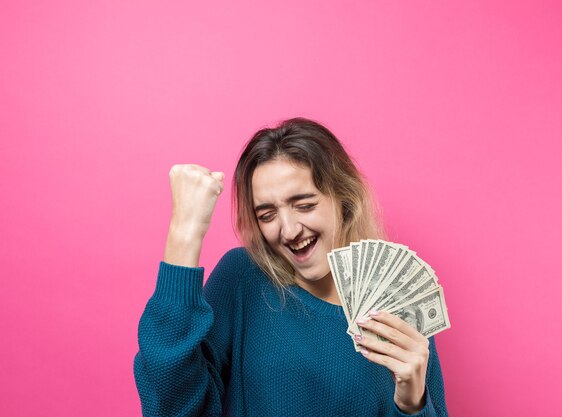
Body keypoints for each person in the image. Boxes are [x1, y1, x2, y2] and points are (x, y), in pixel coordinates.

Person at [134, 118, 449, 416]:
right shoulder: (242, 277)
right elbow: (169, 405)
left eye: (304, 205)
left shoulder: (400, 302)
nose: (288, 230)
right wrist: (184, 234)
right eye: (267, 215)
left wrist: (412, 404)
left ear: (343, 198)